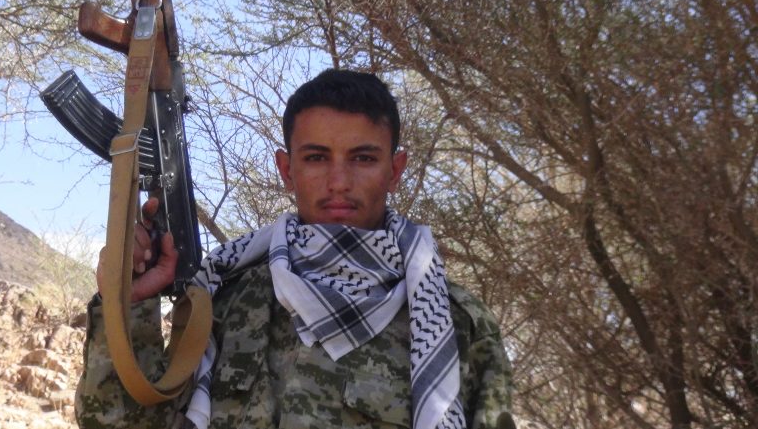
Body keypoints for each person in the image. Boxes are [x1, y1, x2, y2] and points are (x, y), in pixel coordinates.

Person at [76, 69, 514, 429]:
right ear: (286, 169)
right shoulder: (225, 297)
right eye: (316, 158)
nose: (338, 182)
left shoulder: (455, 324)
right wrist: (131, 305)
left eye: (363, 158)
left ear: (395, 170)